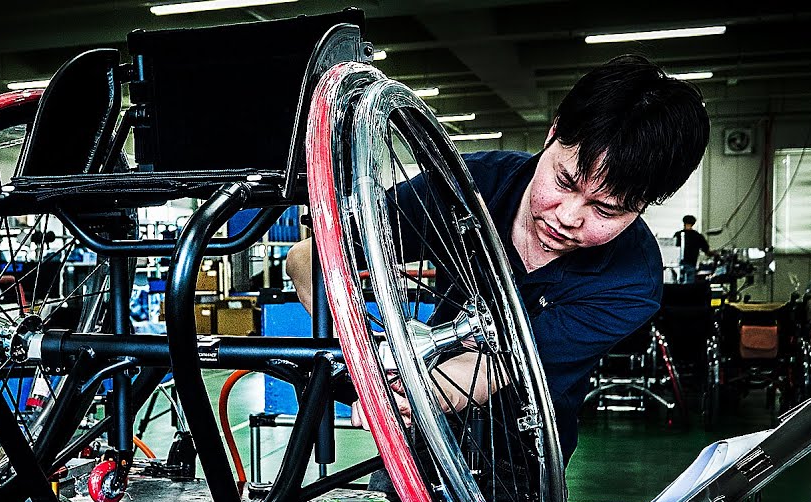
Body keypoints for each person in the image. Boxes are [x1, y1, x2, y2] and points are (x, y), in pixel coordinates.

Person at [286, 54, 709, 464]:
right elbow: (307, 259)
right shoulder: (465, 187)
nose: (567, 217)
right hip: (418, 445)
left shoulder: (630, 280)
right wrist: (367, 350)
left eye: (605, 210)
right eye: (564, 181)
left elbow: (492, 368)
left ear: (644, 206)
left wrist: (404, 393)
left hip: (523, 463)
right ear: (553, 133)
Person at [675, 214, 711, 284]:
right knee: (688, 289)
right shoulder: (697, 236)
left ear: (684, 222)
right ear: (693, 223)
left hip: (677, 266)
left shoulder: (678, 235)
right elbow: (707, 251)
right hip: (691, 265)